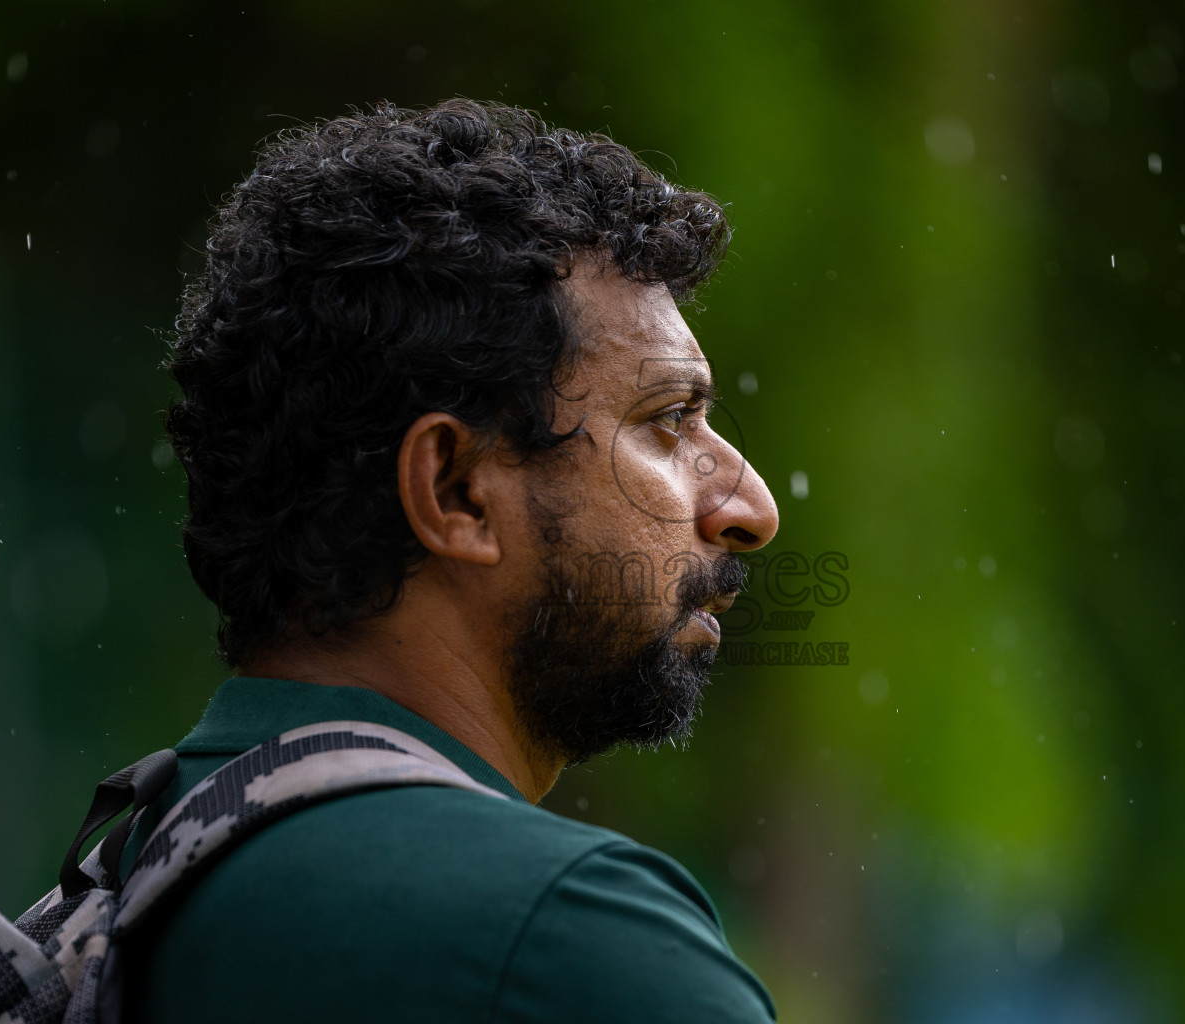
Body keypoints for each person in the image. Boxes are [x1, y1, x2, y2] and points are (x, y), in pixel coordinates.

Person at [121, 99, 781, 1021]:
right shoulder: (567, 942)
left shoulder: (122, 888)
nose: (752, 508)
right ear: (458, 491)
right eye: (668, 420)